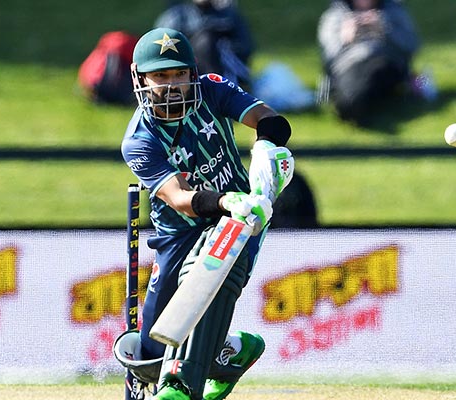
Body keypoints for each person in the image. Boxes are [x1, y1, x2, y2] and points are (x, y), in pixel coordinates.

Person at [114, 27, 294, 400]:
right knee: (152, 352)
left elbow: (271, 120)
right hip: (179, 232)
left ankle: (181, 388)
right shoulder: (139, 139)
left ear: (192, 73)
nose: (172, 85)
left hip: (241, 217)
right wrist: (227, 199)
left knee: (207, 276)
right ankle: (232, 352)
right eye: (161, 76)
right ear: (140, 78)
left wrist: (264, 151)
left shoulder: (212, 88)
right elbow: (179, 197)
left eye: (179, 74)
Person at [317, 0, 421, 125]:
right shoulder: (335, 15)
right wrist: (346, 37)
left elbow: (411, 45)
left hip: (384, 62)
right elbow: (328, 57)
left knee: (371, 78)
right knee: (351, 94)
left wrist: (385, 29)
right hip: (349, 67)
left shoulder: (393, 11)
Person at [154, 0, 255, 87]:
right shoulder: (176, 17)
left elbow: (244, 49)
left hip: (222, 73)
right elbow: (160, 51)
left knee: (206, 40)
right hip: (186, 70)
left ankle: (219, 89)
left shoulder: (228, 16)